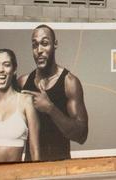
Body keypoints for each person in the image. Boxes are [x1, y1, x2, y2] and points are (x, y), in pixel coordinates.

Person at [21, 24, 89, 161]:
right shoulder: (23, 82)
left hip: (60, 167)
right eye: (35, 45)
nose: (39, 50)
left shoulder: (69, 82)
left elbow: (81, 135)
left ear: (55, 44)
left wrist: (50, 108)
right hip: (30, 168)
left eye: (45, 43)